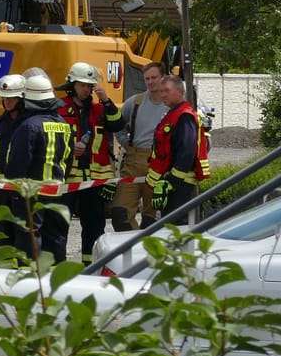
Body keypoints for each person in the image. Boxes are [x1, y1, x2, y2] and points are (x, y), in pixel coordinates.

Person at [5, 71, 72, 263]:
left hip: (31, 195)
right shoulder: (64, 125)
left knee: (29, 241)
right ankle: (54, 282)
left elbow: (18, 162)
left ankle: (29, 283)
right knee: (56, 241)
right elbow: (67, 160)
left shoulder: (28, 126)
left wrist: (14, 191)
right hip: (58, 193)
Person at [57, 61, 122, 259]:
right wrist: (69, 149)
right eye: (82, 85)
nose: (87, 89)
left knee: (94, 226)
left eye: (89, 86)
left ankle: (90, 266)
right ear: (72, 85)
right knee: (59, 224)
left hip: (93, 180)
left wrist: (107, 101)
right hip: (67, 179)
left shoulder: (99, 110)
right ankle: (57, 265)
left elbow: (118, 124)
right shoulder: (59, 109)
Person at [110, 61, 169, 229]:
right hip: (133, 163)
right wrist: (124, 142)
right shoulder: (135, 102)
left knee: (154, 218)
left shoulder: (172, 104)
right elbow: (118, 125)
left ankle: (148, 251)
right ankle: (134, 248)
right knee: (120, 213)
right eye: (147, 79)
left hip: (160, 166)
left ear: (163, 77)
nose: (150, 82)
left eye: (154, 78)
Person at [148, 74, 210, 225]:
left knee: (175, 229)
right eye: (161, 91)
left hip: (179, 184)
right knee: (169, 227)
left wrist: (171, 181)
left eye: (167, 91)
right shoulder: (173, 113)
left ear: (180, 91)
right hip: (172, 182)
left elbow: (187, 152)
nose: (162, 95)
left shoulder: (184, 116)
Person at [0, 72, 29, 251]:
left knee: (21, 233)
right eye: (5, 98)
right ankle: (3, 271)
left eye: (12, 98)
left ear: (22, 98)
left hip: (21, 188)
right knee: (1, 234)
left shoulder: (28, 123)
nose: (7, 102)